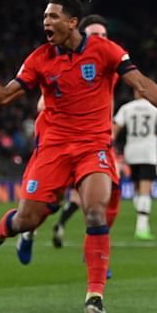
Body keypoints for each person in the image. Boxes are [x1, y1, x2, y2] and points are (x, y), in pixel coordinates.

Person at [0, 0, 157, 313]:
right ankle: (0, 233)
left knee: (95, 211)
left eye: (53, 16)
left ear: (72, 22)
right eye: (44, 16)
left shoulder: (105, 52)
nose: (46, 22)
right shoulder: (40, 58)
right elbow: (1, 97)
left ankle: (94, 297)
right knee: (28, 219)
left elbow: (141, 83)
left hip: (93, 146)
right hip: (54, 149)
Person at [49, 14, 111, 248]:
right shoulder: (66, 64)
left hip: (97, 143)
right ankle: (28, 228)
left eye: (105, 36)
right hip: (68, 144)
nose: (102, 40)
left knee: (93, 202)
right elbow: (45, 103)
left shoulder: (111, 64)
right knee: (53, 200)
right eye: (96, 36)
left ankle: (96, 258)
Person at [113, 88, 157, 240]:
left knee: (137, 190)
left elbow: (115, 130)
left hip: (131, 152)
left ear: (136, 93)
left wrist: (109, 146)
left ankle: (141, 221)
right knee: (145, 191)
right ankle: (142, 227)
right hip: (148, 153)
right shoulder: (156, 108)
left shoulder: (126, 108)